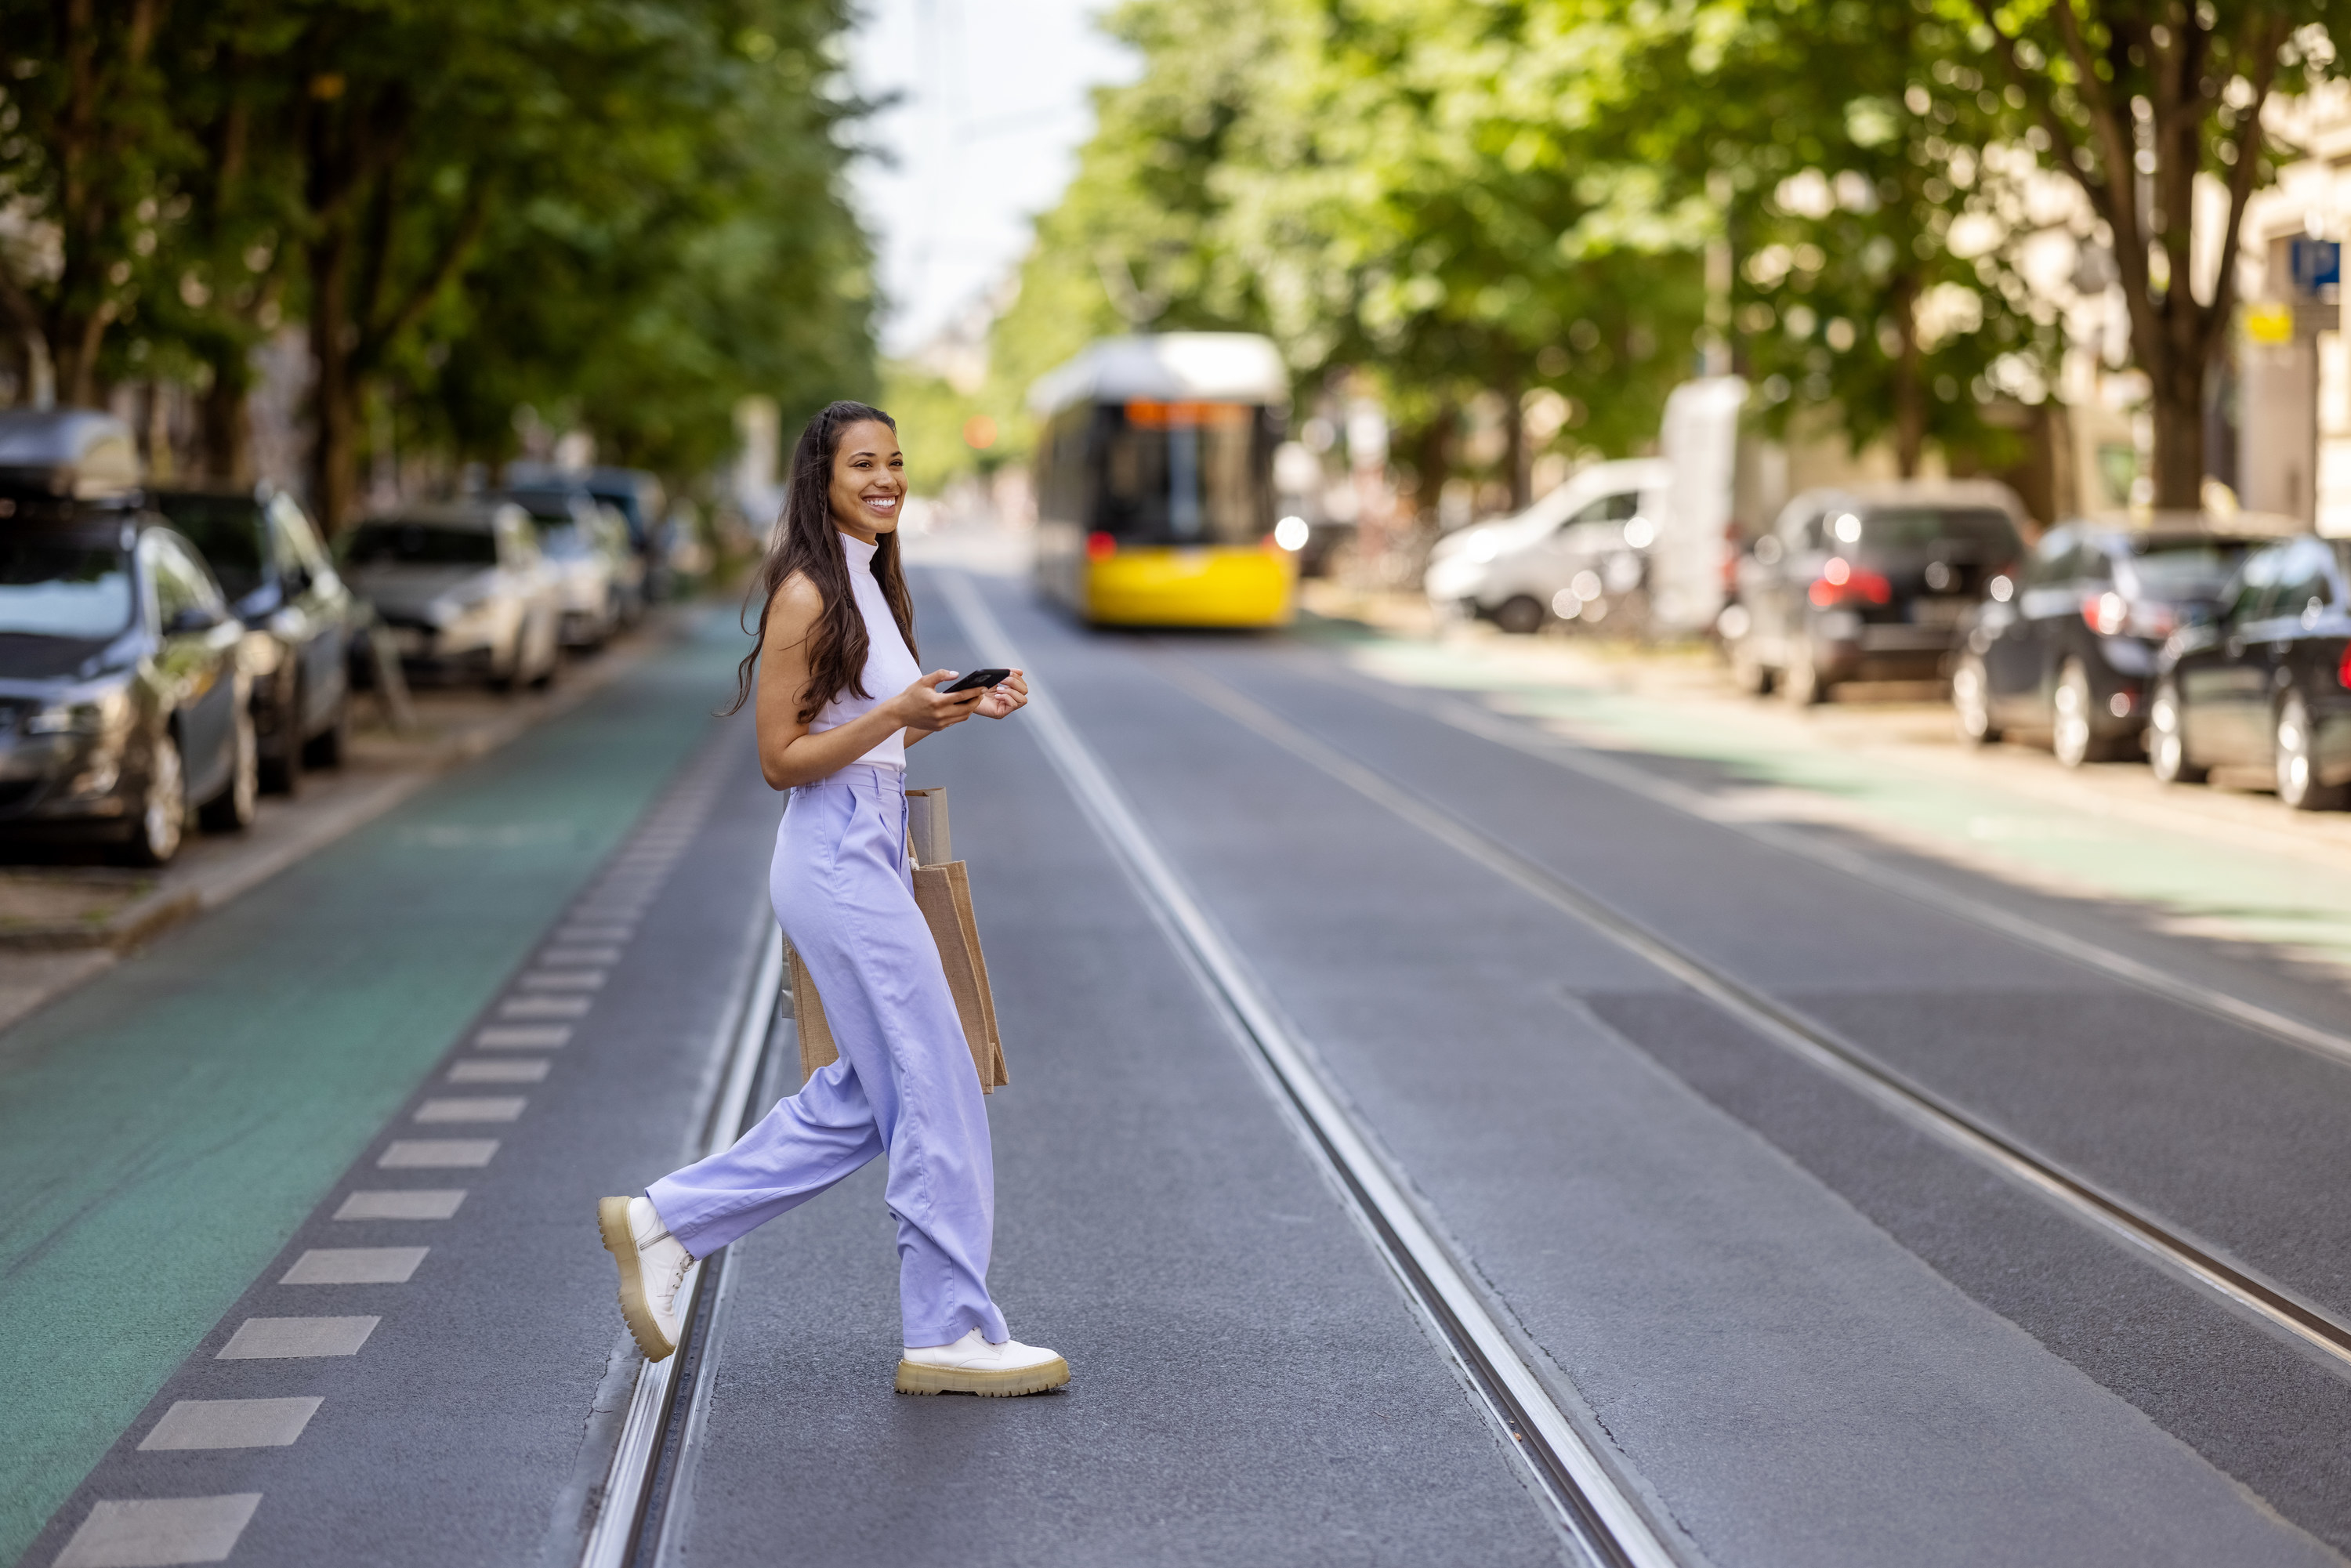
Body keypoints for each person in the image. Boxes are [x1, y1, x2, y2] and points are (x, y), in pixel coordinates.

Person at [598, 400, 1067, 1397]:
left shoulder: (872, 585)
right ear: (821, 479)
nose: (886, 477)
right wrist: (897, 711)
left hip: (872, 842)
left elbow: (874, 738)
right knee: (936, 1077)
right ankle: (948, 1330)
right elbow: (781, 761)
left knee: (868, 1094)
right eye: (863, 464)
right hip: (834, 855)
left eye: (895, 461)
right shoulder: (807, 593)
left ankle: (666, 1222)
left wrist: (945, 711)